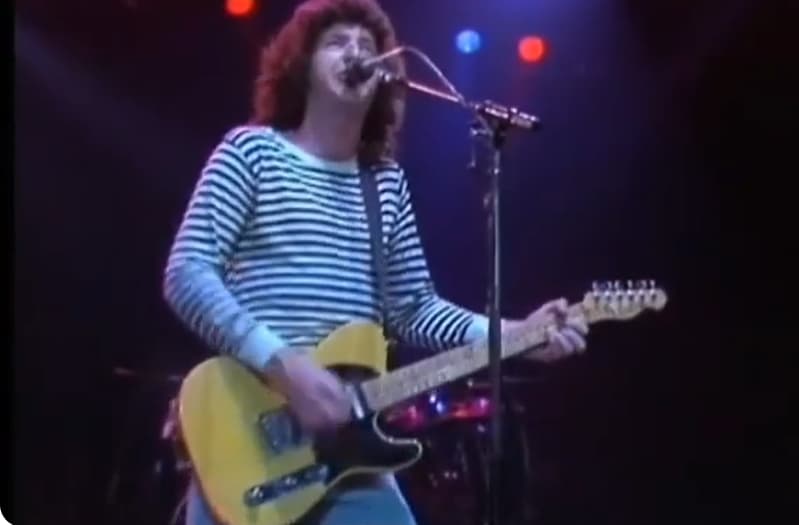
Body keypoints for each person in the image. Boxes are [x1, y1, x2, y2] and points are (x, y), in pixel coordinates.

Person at [161, 0, 589, 523]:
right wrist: (284, 364)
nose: (357, 53)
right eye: (337, 43)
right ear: (301, 65)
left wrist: (515, 334)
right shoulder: (251, 152)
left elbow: (414, 310)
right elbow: (187, 271)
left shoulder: (384, 183)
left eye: (367, 46)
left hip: (348, 449)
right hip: (248, 437)